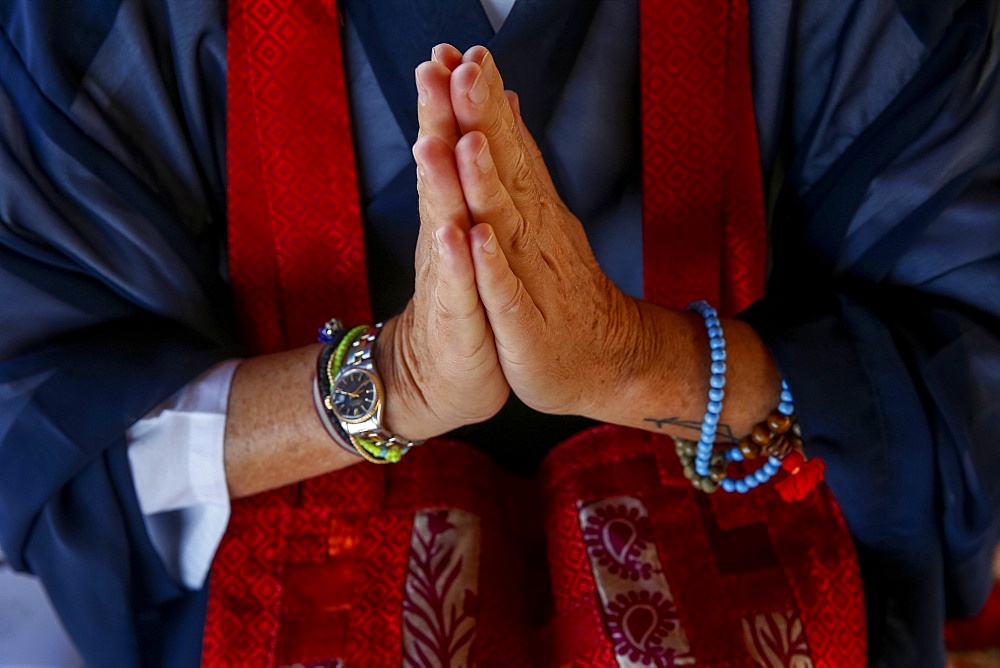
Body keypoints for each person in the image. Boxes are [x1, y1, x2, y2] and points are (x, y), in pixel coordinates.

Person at [0, 0, 997, 665]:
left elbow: (969, 388)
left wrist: (642, 361)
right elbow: (43, 438)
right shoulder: (92, 24)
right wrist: (388, 383)